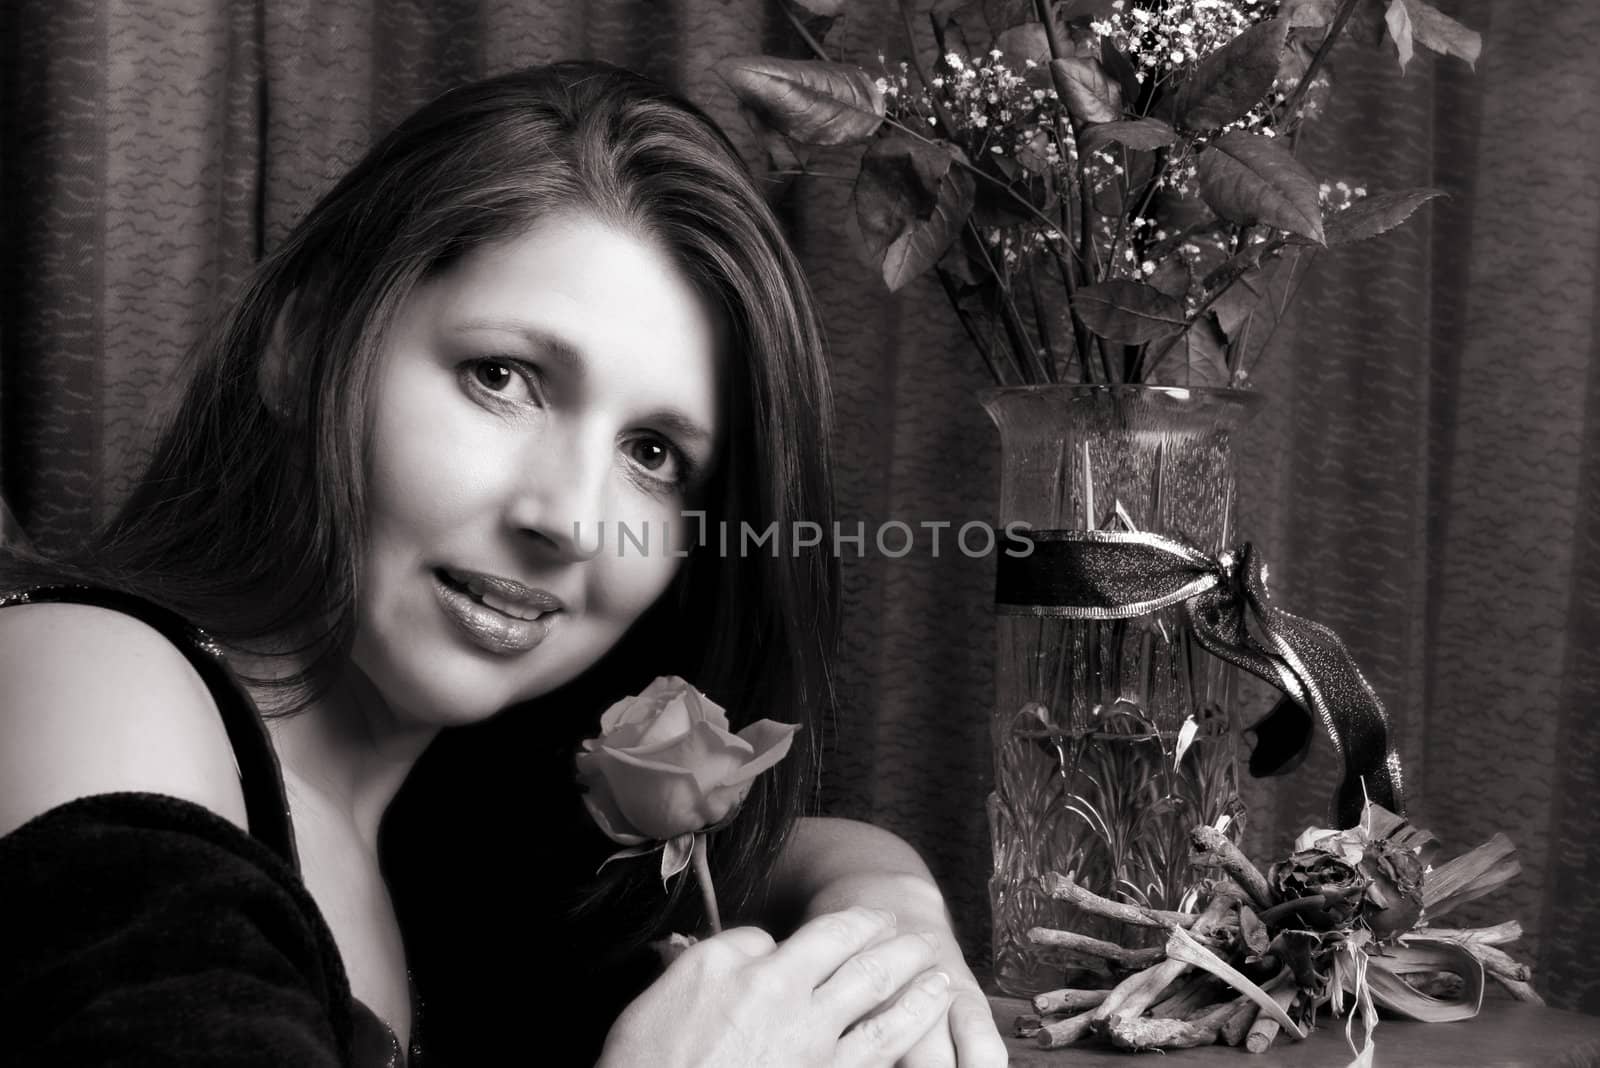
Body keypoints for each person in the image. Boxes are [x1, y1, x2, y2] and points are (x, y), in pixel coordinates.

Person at [0, 61, 1007, 1066]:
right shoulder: (93, 677)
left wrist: (892, 913)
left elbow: (788, 850)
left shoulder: (455, 808)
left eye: (653, 454)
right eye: (503, 378)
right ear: (298, 349)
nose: (570, 519)